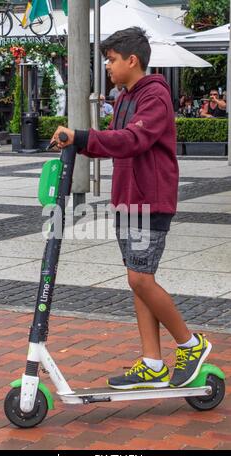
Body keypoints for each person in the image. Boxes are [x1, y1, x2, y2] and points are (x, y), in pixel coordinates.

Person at [52, 27, 212, 390]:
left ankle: (190, 343)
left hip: (150, 200)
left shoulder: (154, 95)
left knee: (140, 278)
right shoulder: (124, 98)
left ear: (132, 60)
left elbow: (135, 139)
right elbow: (115, 144)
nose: (107, 67)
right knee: (138, 280)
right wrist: (77, 142)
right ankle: (153, 363)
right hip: (127, 199)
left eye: (110, 60)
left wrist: (80, 137)